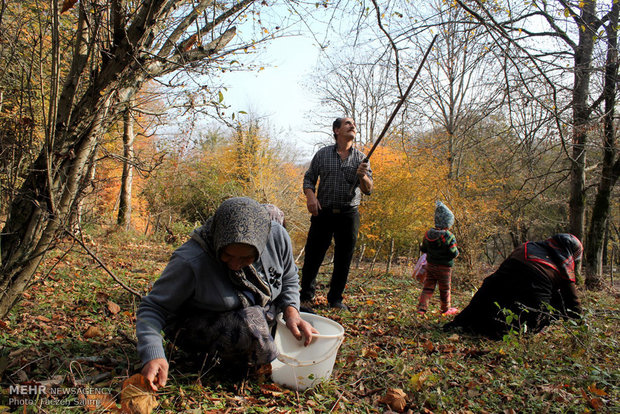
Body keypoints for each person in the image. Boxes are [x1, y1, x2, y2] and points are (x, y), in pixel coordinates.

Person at [136, 197, 316, 391]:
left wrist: (292, 313)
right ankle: (235, 365)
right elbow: (153, 308)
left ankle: (265, 341)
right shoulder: (191, 260)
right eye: (227, 255)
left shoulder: (277, 237)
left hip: (256, 309)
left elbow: (288, 277)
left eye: (246, 258)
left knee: (307, 322)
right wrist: (153, 353)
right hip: (200, 322)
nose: (235, 264)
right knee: (251, 325)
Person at [444, 233, 583, 339]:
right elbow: (572, 301)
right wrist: (578, 323)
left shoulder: (527, 246)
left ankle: (466, 324)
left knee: (488, 294)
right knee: (535, 320)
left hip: (498, 287)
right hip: (533, 295)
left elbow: (494, 282)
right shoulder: (565, 266)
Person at [300, 117, 373, 311]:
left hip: (348, 215)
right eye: (348, 124)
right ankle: (305, 297)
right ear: (336, 130)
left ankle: (335, 299)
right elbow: (309, 179)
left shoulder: (361, 159)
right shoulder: (323, 154)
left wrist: (363, 175)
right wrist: (310, 197)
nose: (353, 126)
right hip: (323, 213)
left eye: (354, 125)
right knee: (313, 256)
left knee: (344, 258)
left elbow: (368, 189)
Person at [417, 201, 459, 316]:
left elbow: (424, 249)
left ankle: (421, 308)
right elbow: (453, 253)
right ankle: (445, 309)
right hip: (444, 268)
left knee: (428, 287)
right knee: (445, 289)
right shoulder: (448, 236)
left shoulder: (428, 234)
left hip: (430, 266)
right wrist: (456, 253)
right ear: (448, 222)